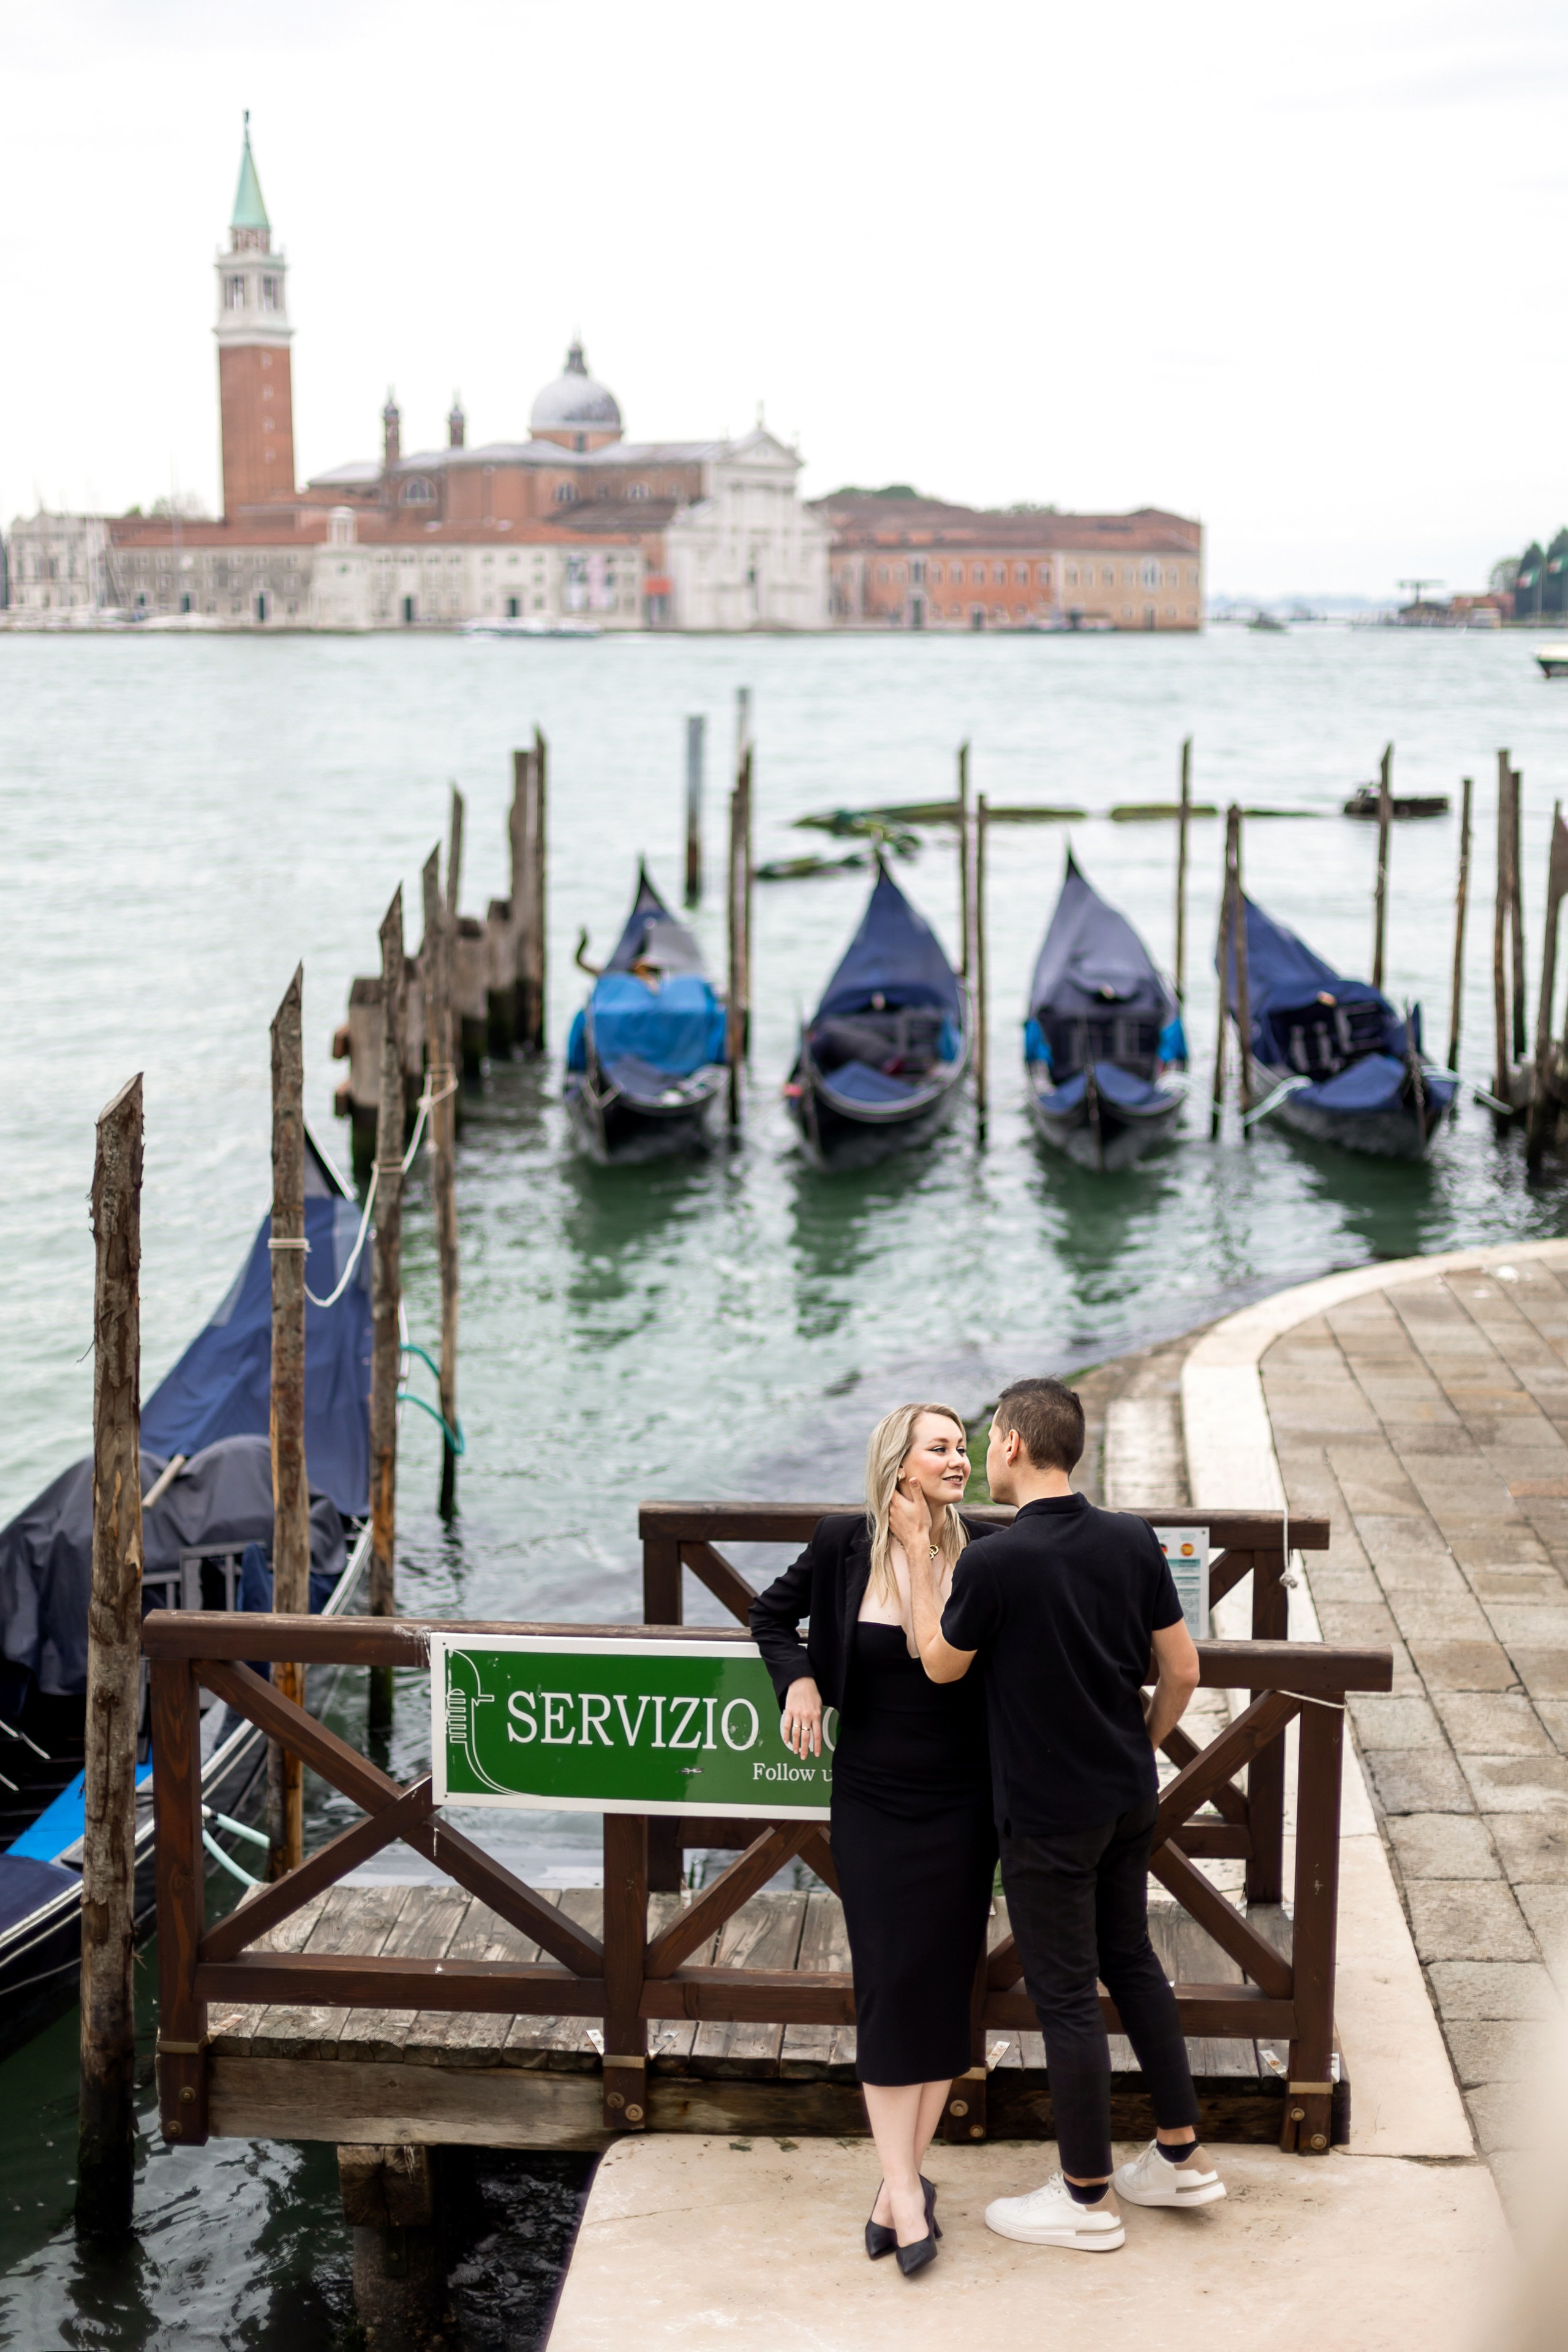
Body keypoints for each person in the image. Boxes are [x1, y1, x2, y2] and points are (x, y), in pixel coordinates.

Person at [901, 1374, 1226, 2255]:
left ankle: (1085, 2199)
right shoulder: (1131, 1539)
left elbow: (939, 1665)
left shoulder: (998, 1560)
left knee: (1067, 1997)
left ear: (1009, 1444)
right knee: (1133, 1962)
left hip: (1047, 1814)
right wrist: (1139, 1745)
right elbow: (1184, 1673)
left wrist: (922, 1560)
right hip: (1126, 1796)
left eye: (987, 1439)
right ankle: (1180, 2158)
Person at [750, 1403, 997, 2280]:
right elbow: (767, 1617)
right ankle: (903, 2185)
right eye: (942, 1448)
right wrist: (802, 1681)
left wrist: (928, 1552)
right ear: (901, 1465)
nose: (959, 1459)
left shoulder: (980, 1556)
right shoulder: (838, 1544)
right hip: (871, 1797)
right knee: (889, 1981)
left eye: (963, 1448)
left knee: (938, 1982)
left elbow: (947, 1662)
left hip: (962, 1801)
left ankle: (900, 2187)